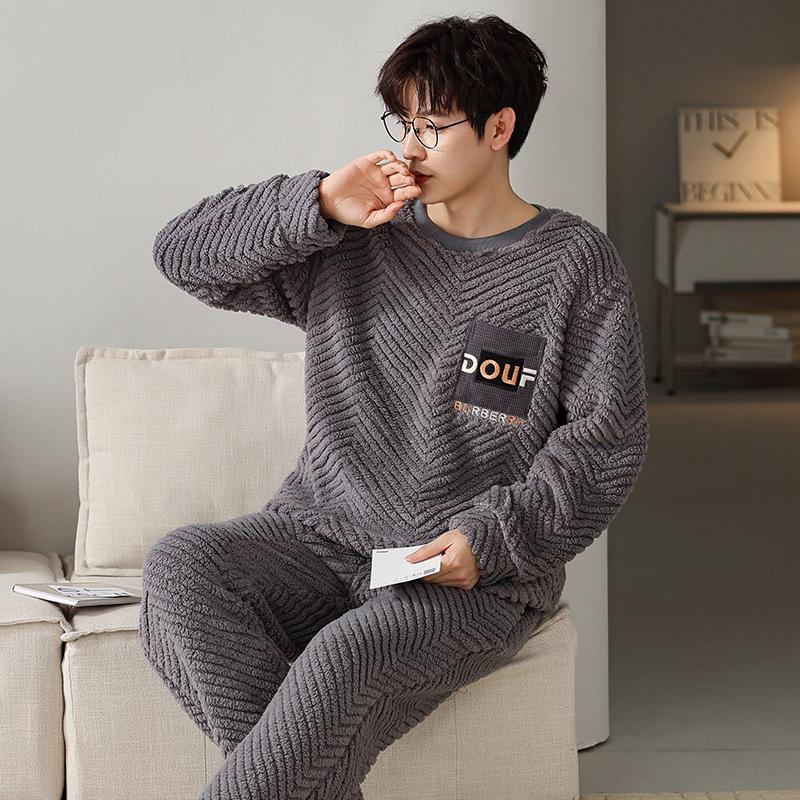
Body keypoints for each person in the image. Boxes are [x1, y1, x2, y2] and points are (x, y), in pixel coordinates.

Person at [139, 13, 650, 800]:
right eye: (402, 123)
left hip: (463, 575)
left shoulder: (572, 265)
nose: (409, 147)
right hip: (316, 538)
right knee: (181, 566)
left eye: (433, 126)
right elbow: (182, 255)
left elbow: (604, 441)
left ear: (499, 128)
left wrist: (492, 540)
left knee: (346, 658)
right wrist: (317, 202)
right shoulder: (356, 238)